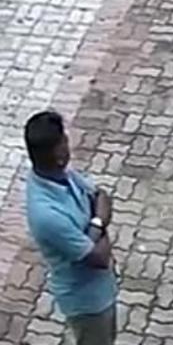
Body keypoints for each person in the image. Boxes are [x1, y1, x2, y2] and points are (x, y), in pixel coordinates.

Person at [23, 111, 117, 345]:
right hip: (87, 302)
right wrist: (98, 222)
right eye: (64, 140)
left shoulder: (62, 175)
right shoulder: (46, 215)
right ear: (57, 152)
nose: (68, 143)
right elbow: (99, 257)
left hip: (103, 288)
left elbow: (102, 196)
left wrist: (93, 228)